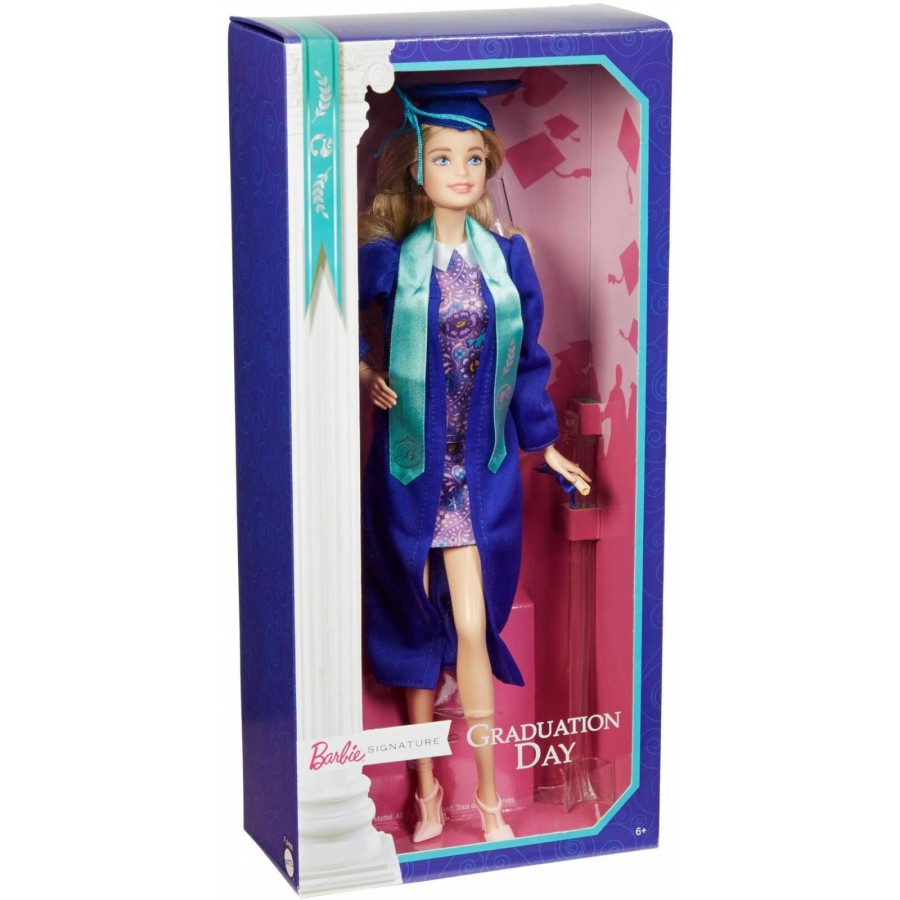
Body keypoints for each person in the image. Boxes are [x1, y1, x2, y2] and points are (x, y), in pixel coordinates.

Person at [357, 81, 589, 844]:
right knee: (411, 620)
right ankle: (426, 791)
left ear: (489, 165)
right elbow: (334, 323)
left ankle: (489, 799)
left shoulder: (508, 258)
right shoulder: (390, 260)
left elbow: (529, 361)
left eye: (473, 157)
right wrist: (363, 371)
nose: (460, 171)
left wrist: (545, 443)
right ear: (416, 166)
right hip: (409, 470)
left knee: (470, 619)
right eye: (443, 157)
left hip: (477, 473)